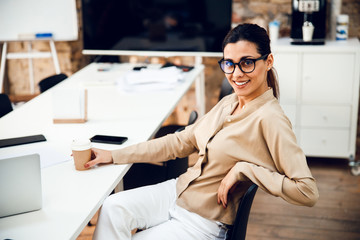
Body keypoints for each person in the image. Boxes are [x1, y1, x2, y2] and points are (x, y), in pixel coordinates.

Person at [86, 23, 319, 240]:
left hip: (202, 221)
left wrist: (245, 169)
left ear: (268, 61)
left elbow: (307, 192)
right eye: (229, 63)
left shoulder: (271, 119)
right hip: (178, 191)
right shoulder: (229, 102)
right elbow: (180, 141)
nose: (236, 74)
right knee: (112, 207)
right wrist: (114, 156)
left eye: (247, 62)